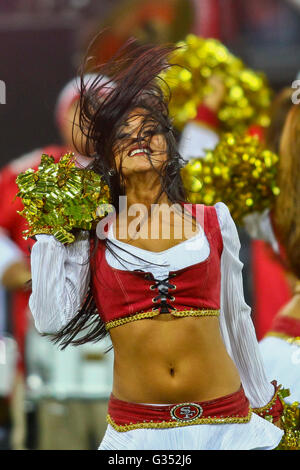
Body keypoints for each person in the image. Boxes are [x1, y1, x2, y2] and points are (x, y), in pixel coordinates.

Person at [28, 40, 284, 450]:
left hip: (228, 426)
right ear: (108, 157)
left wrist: (266, 405)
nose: (139, 140)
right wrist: (53, 231)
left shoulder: (213, 220)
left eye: (151, 132)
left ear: (169, 147)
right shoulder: (92, 234)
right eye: (123, 135)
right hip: (137, 435)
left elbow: (237, 320)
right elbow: (52, 319)